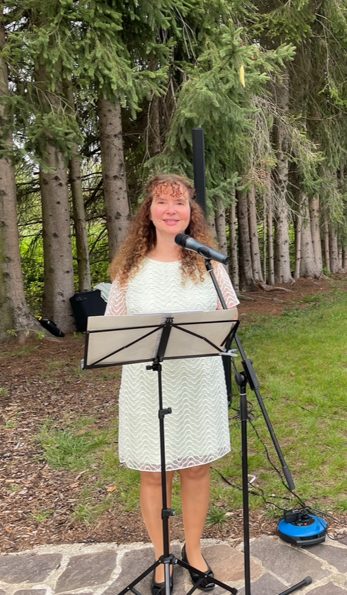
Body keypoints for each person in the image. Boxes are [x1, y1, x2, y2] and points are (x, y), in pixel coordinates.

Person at [105, 174, 238, 593]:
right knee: (154, 473)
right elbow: (113, 327)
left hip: (198, 381)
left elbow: (230, 316)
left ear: (190, 212)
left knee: (196, 468)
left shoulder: (208, 263)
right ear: (148, 211)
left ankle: (193, 551)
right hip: (147, 384)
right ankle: (162, 556)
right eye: (162, 202)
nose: (170, 210)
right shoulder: (130, 269)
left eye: (179, 203)